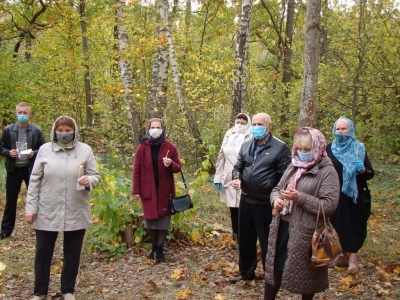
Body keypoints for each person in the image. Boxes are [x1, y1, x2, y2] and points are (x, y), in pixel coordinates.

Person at [25, 116, 100, 300]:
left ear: (74, 131)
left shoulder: (85, 150)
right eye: (61, 130)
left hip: (76, 208)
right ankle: (39, 292)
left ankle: (68, 290)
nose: (64, 134)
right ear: (54, 131)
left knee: (72, 253)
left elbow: (95, 176)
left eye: (68, 130)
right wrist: (30, 207)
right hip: (47, 208)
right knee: (43, 252)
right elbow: (34, 181)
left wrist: (88, 180)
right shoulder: (44, 150)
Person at [264, 127, 340, 300]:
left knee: (306, 275)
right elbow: (277, 188)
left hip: (308, 232)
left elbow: (329, 205)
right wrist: (275, 199)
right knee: (274, 268)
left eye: (307, 150)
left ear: (317, 149)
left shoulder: (327, 171)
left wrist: (300, 198)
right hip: (282, 226)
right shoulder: (294, 165)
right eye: (300, 148)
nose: (302, 153)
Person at [229, 113, 291, 284]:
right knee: (245, 238)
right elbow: (238, 166)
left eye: (260, 124)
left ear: (269, 126)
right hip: (246, 199)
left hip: (266, 202)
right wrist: (236, 178)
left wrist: (278, 198)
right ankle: (246, 272)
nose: (256, 127)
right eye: (254, 123)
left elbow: (285, 177)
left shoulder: (280, 148)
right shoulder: (246, 145)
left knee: (267, 241)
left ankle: (271, 275)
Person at [327, 117, 374, 271]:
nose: (340, 132)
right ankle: (340, 257)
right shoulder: (329, 148)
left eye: (344, 129)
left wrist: (362, 170)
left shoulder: (358, 148)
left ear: (351, 130)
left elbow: (370, 173)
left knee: (354, 225)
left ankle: (353, 259)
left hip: (355, 195)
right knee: (337, 224)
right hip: (335, 193)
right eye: (338, 129)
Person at [133, 118, 181, 263]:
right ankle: (154, 247)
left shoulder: (170, 147)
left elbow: (178, 168)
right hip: (148, 189)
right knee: (150, 221)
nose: (155, 129)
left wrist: (171, 164)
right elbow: (137, 170)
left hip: (165, 189)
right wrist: (136, 190)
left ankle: (160, 250)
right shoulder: (142, 147)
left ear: (163, 129)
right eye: (152, 127)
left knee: (163, 221)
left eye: (158, 127)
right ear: (148, 129)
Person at [0, 102, 45, 240]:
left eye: (25, 113)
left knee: (37, 197)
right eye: (20, 112)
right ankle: (6, 230)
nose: (22, 115)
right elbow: (1, 147)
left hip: (31, 169)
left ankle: (41, 228)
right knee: (11, 200)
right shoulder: (8, 130)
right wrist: (8, 153)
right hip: (13, 169)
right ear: (16, 113)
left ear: (30, 114)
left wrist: (34, 153)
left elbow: (44, 149)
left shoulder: (36, 131)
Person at [213, 113, 252, 241]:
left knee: (245, 210)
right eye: (238, 121)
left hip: (246, 178)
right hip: (229, 177)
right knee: (233, 210)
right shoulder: (229, 134)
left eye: (243, 122)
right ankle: (236, 238)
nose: (240, 124)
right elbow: (221, 156)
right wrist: (218, 177)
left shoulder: (251, 135)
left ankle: (247, 239)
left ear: (248, 124)